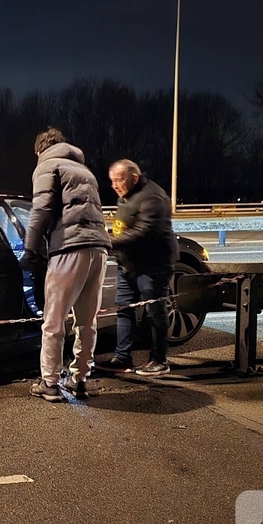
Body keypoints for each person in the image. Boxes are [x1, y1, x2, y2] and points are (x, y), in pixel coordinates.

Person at [23, 127, 111, 402]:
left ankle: (49, 382)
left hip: (69, 248)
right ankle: (80, 379)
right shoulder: (85, 171)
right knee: (87, 321)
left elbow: (42, 208)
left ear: (40, 149)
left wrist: (30, 248)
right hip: (99, 248)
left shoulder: (47, 165)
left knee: (54, 320)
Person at [97, 159, 179, 377]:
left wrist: (110, 242)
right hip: (128, 265)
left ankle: (159, 360)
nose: (115, 185)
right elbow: (122, 225)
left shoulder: (152, 196)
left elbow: (145, 232)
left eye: (119, 179)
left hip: (153, 265)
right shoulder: (126, 196)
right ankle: (122, 357)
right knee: (124, 310)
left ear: (134, 177)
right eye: (112, 181)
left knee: (155, 312)